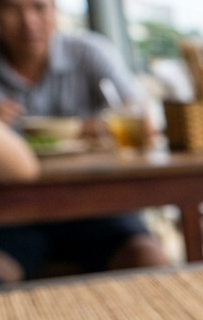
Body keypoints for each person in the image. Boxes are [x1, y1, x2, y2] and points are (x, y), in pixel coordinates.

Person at [0, 0, 166, 282]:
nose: (28, 21)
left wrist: (68, 130)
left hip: (99, 205)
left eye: (38, 7)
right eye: (12, 9)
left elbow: (141, 120)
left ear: (55, 11)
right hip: (13, 214)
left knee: (149, 258)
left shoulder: (88, 50)